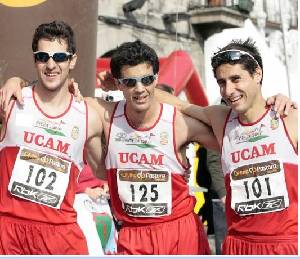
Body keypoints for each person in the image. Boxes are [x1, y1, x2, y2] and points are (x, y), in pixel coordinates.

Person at [1, 39, 296, 255]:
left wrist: (278, 100)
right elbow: (52, 92)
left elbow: (179, 104)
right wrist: (16, 81)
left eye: (146, 80)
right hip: (140, 237)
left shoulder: (282, 117)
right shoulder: (104, 115)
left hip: (186, 236)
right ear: (119, 84)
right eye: (130, 82)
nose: (139, 88)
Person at [156, 38, 298, 255]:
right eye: (222, 82)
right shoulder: (220, 118)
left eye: (235, 79)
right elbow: (178, 104)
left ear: (257, 74)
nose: (229, 90)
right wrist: (131, 84)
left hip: (285, 244)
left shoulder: (289, 116)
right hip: (237, 245)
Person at [0, 21, 104, 255]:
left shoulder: (89, 116)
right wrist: (14, 79)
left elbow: (106, 171)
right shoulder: (11, 102)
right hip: (8, 234)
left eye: (59, 56)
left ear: (73, 60)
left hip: (59, 237)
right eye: (42, 56)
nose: (50, 64)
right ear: (34, 59)